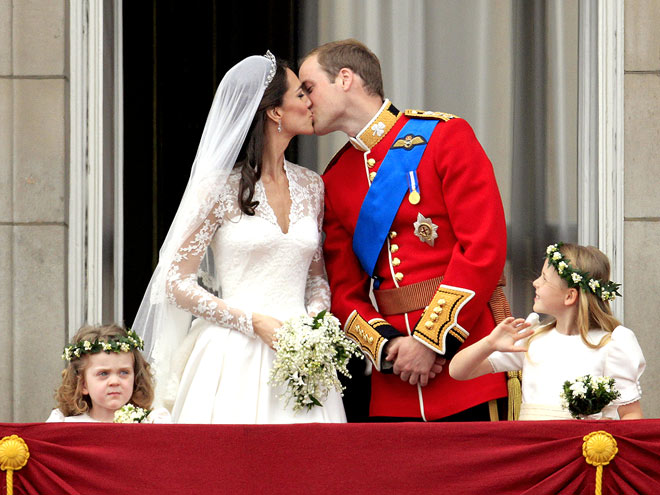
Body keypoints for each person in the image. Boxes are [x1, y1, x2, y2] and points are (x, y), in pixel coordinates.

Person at [299, 39, 510, 421]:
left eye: (309, 87)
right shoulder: (335, 178)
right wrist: (389, 346)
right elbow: (343, 291)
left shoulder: (445, 136)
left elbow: (484, 248)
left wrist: (431, 340)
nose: (304, 101)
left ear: (344, 79)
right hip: (396, 381)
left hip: (469, 360)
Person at [132, 52, 346, 423]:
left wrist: (314, 325)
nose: (310, 101)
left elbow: (315, 278)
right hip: (232, 354)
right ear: (275, 112)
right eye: (299, 94)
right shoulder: (216, 188)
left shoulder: (312, 186)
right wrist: (252, 322)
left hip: (302, 359)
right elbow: (174, 281)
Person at [449, 243, 645, 420]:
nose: (535, 282)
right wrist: (489, 344)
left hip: (584, 454)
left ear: (570, 296)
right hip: (534, 450)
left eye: (544, 278)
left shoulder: (610, 345)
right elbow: (458, 371)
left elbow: (631, 414)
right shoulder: (532, 339)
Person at [46, 324, 170, 423]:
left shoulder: (152, 423)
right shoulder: (64, 425)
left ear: (136, 378)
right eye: (103, 374)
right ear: (83, 384)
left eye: (123, 372)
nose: (115, 382)